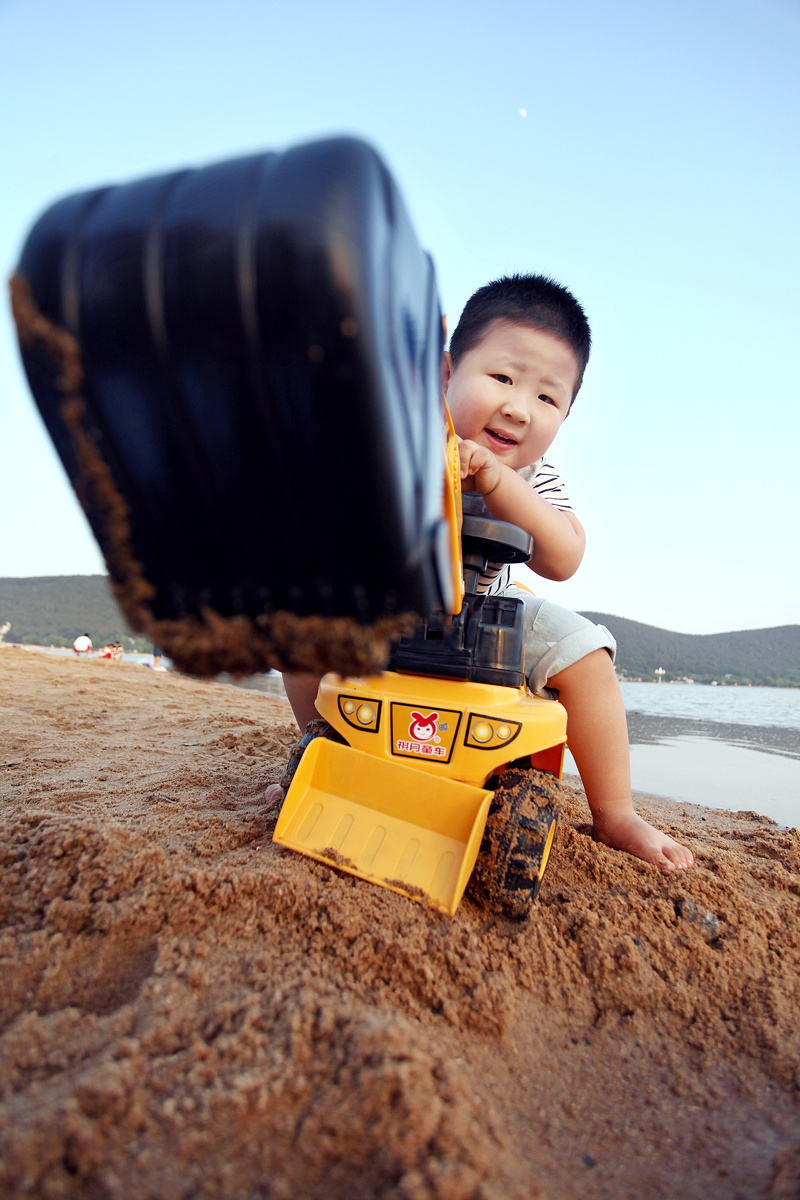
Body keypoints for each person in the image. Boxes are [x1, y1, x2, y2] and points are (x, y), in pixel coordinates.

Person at [266, 274, 693, 874]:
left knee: (587, 653)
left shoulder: (534, 477)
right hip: (387, 612)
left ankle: (616, 813)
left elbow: (564, 557)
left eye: (548, 399)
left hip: (486, 617)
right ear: (446, 375)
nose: (520, 408)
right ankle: (321, 750)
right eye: (502, 378)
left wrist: (499, 481)